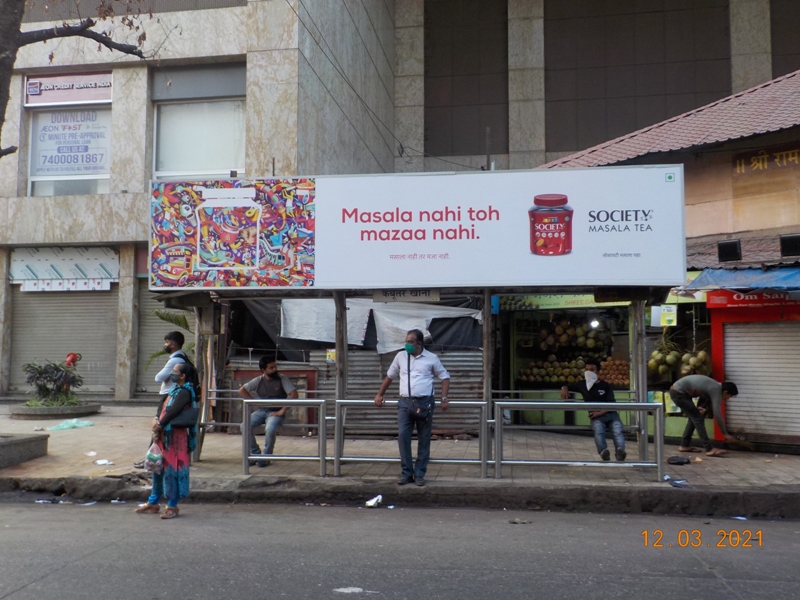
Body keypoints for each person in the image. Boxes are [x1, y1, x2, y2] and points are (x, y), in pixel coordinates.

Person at [374, 329, 451, 487]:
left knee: (424, 439)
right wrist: (379, 394)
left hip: (425, 404)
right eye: (406, 341)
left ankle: (420, 474)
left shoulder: (431, 358)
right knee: (403, 436)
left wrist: (444, 398)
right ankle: (406, 473)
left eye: (410, 342)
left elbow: (445, 377)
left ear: (419, 344)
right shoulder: (400, 357)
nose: (407, 344)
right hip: (405, 403)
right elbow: (390, 376)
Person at [135, 361, 197, 519]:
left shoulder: (185, 392)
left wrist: (160, 424)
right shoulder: (174, 389)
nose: (172, 373)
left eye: (175, 371)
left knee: (172, 471)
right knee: (158, 468)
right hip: (164, 435)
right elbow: (161, 407)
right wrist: (157, 421)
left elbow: (173, 412)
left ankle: (172, 506)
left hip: (175, 439)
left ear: (182, 376)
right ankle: (153, 501)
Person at [134, 331, 188, 469]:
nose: (165, 345)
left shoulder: (175, 360)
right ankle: (151, 456)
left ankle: (151, 457)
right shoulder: (181, 357)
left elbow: (158, 378)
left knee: (158, 426)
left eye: (166, 342)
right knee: (159, 427)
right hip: (171, 395)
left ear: (173, 344)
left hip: (168, 396)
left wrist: (168, 375)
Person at [560, 359, 626, 461]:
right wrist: (564, 388)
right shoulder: (582, 385)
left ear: (598, 372)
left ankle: (620, 451)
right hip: (596, 417)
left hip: (610, 414)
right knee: (598, 431)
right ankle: (603, 451)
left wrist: (600, 413)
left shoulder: (606, 386)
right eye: (587, 370)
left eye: (592, 370)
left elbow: (611, 404)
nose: (589, 372)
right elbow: (568, 385)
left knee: (617, 430)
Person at [239, 356, 298, 467]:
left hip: (275, 412)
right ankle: (255, 453)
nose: (274, 369)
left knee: (270, 429)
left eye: (275, 366)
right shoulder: (259, 380)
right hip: (262, 410)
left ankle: (266, 456)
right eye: (271, 368)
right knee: (244, 426)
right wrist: (253, 403)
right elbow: (242, 390)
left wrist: (282, 411)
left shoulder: (282, 378)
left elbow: (294, 394)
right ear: (263, 370)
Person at [670, 374, 739, 457]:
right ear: (725, 392)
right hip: (678, 393)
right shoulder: (716, 389)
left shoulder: (714, 386)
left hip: (681, 392)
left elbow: (704, 396)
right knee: (698, 419)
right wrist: (725, 433)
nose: (728, 398)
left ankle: (684, 445)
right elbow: (717, 413)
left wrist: (703, 408)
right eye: (729, 396)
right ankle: (709, 449)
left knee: (695, 418)